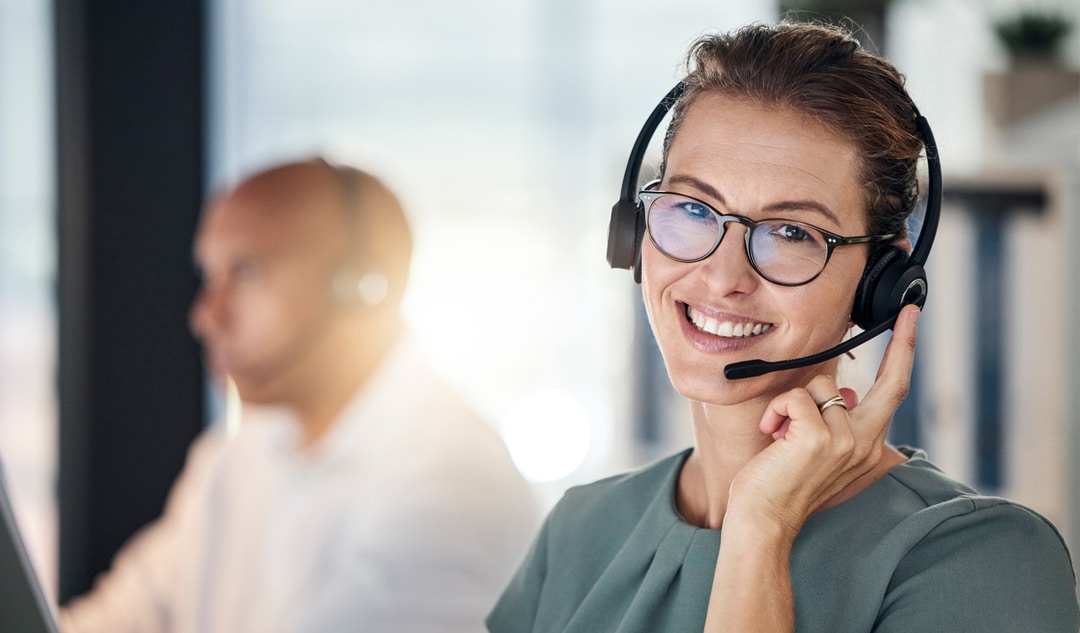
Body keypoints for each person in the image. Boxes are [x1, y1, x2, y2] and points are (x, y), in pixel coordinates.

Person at [487, 22, 1079, 633]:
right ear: (635, 234)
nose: (721, 278)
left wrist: (761, 527)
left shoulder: (983, 562)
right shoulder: (579, 534)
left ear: (882, 279)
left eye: (792, 232)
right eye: (692, 208)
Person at [60, 158, 539, 633]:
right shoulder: (237, 453)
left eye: (246, 272)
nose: (206, 315)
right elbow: (128, 613)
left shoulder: (454, 480)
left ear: (362, 289)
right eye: (211, 275)